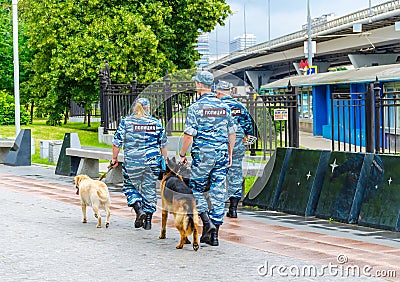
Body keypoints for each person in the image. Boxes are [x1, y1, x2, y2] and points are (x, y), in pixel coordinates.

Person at [179, 71, 236, 246]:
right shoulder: (224, 107)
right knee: (218, 193)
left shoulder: (196, 108)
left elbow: (189, 135)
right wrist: (230, 153)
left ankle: (206, 221)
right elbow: (231, 133)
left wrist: (182, 154)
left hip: (203, 156)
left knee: (196, 189)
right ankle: (214, 236)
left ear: (199, 85)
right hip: (221, 154)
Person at [111, 97, 168, 230]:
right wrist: (164, 160)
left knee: (130, 186)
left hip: (132, 162)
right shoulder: (156, 122)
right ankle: (148, 221)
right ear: (148, 108)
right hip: (152, 162)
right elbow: (163, 144)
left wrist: (114, 158)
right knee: (149, 189)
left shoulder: (126, 122)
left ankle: (138, 209)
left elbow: (116, 143)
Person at [215, 80, 254, 218]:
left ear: (218, 92)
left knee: (217, 173)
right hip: (237, 143)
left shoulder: (216, 107)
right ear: (230, 92)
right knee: (236, 173)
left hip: (219, 144)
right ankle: (233, 208)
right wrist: (244, 139)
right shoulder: (240, 107)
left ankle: (215, 208)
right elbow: (249, 126)